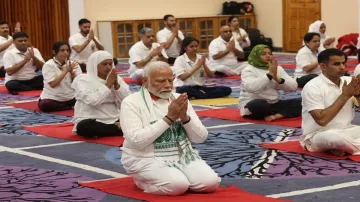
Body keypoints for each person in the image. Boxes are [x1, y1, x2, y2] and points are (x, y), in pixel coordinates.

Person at [120, 61, 220, 195]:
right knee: (178, 186)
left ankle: (175, 175)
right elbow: (137, 141)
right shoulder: (131, 102)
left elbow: (200, 138)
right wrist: (169, 118)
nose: (167, 85)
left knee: (210, 183)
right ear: (145, 81)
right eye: (160, 81)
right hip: (145, 157)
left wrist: (185, 118)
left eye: (170, 80)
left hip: (181, 155)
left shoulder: (179, 99)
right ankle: (143, 182)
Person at [300, 48, 360, 156]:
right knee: (335, 138)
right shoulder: (312, 87)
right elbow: (322, 120)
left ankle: (345, 148)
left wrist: (358, 95)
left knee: (341, 137)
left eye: (343, 63)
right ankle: (342, 146)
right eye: (337, 64)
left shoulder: (348, 81)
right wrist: (345, 96)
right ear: (323, 66)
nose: (342, 67)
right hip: (318, 135)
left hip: (347, 129)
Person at [72, 51, 131, 138]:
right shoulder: (83, 80)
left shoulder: (116, 79)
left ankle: (114, 129)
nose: (108, 67)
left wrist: (117, 86)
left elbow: (128, 101)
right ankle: (118, 129)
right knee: (83, 127)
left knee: (139, 118)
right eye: (104, 64)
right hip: (91, 118)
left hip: (114, 118)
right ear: (95, 65)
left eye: (110, 64)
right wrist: (108, 85)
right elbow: (92, 101)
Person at [238, 45, 301, 122]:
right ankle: (281, 113)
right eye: (263, 54)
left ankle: (275, 116)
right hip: (254, 102)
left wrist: (278, 79)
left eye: (270, 53)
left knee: (303, 102)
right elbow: (252, 88)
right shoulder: (248, 70)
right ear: (256, 55)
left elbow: (294, 87)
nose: (268, 56)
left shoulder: (277, 68)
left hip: (274, 103)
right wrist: (269, 75)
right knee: (258, 105)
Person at [38, 41, 82, 112]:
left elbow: (79, 84)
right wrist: (65, 71)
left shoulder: (73, 64)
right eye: (62, 50)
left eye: (67, 50)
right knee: (45, 105)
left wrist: (72, 74)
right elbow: (53, 84)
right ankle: (69, 107)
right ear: (54, 52)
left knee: (84, 99)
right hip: (53, 97)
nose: (65, 53)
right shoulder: (48, 65)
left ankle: (67, 106)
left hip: (70, 96)